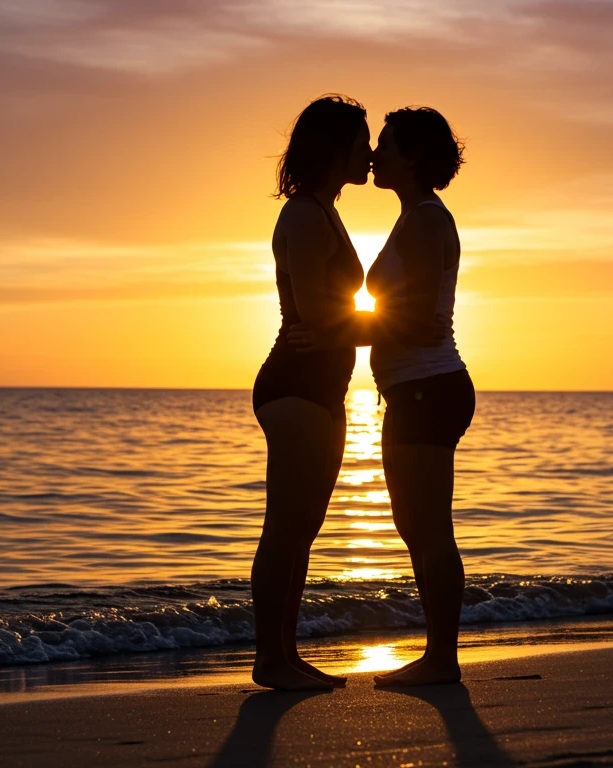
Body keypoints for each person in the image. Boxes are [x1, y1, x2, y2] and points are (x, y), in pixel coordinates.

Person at [291, 106, 473, 686]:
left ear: (415, 158)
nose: (376, 156)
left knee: (428, 528)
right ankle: (438, 655)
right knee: (414, 524)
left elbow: (417, 323)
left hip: (428, 386)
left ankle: (442, 659)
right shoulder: (415, 217)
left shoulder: (424, 221)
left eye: (388, 147)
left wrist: (330, 330)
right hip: (414, 390)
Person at [249, 94, 371, 691]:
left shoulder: (324, 210)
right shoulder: (303, 214)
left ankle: (286, 655)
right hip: (294, 383)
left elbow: (331, 317)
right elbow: (322, 317)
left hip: (325, 387)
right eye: (361, 141)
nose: (370, 153)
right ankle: (270, 659)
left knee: (303, 528)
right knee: (286, 526)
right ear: (334, 147)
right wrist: (406, 328)